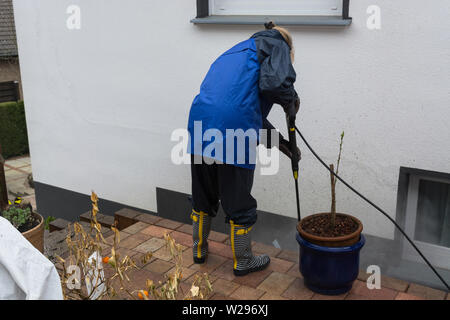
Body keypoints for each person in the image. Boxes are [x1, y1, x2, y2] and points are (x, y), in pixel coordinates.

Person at [187, 22, 300, 276]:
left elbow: (246, 110)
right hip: (233, 130)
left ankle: (198, 250)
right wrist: (290, 99)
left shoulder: (238, 51)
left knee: (203, 194)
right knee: (238, 199)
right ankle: (244, 260)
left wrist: (283, 145)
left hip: (200, 123)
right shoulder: (277, 45)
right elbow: (274, 86)